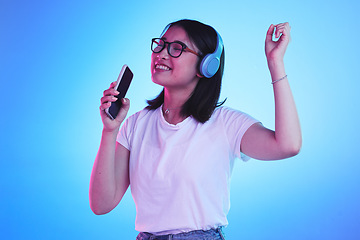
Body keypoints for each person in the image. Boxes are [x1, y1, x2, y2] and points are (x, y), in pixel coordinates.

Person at [89, 19, 301, 240]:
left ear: (206, 66)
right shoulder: (135, 125)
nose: (161, 53)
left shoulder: (226, 123)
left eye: (177, 48)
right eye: (160, 44)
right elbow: (101, 204)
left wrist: (275, 62)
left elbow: (288, 145)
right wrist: (109, 130)